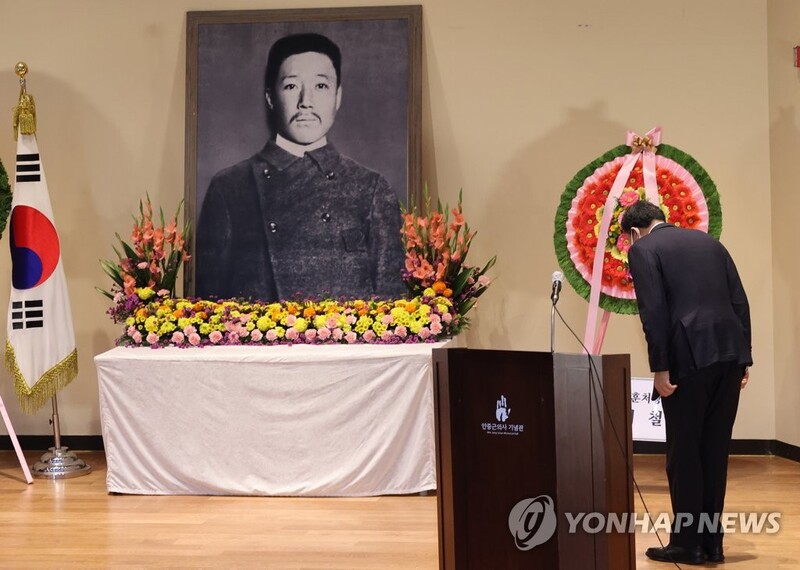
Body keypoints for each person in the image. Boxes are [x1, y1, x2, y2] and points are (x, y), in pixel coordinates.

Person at [195, 33, 405, 302]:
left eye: (321, 86)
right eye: (292, 86)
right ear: (271, 98)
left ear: (338, 96)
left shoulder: (371, 188)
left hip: (346, 343)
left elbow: (394, 306)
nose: (306, 101)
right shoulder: (230, 187)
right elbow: (206, 307)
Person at [621, 200, 752, 566]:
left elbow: (654, 311)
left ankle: (686, 545)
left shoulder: (643, 249)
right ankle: (712, 544)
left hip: (688, 359)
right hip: (729, 353)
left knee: (684, 452)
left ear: (634, 231)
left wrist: (660, 367)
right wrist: (744, 357)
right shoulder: (710, 243)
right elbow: (739, 301)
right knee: (714, 450)